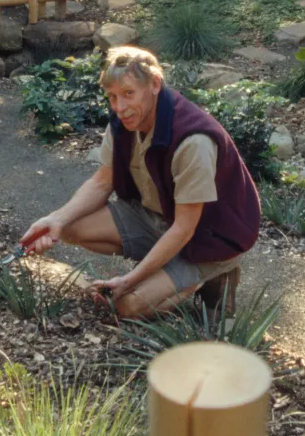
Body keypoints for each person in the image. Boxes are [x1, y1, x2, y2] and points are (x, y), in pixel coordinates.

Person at [21, 46, 261, 319]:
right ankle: (162, 267)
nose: (120, 108)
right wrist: (56, 219)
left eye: (128, 94)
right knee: (68, 229)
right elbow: (102, 182)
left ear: (155, 85)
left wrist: (130, 280)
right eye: (112, 97)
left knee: (128, 306)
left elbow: (184, 229)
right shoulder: (124, 122)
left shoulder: (193, 141)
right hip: (155, 217)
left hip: (208, 239)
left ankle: (209, 277)